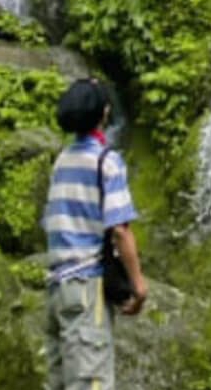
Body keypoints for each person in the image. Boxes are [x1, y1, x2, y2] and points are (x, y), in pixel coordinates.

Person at [43, 77, 149, 390]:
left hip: (56, 288)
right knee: (92, 383)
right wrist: (139, 285)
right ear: (103, 113)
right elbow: (120, 230)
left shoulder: (62, 160)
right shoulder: (107, 162)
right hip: (86, 288)